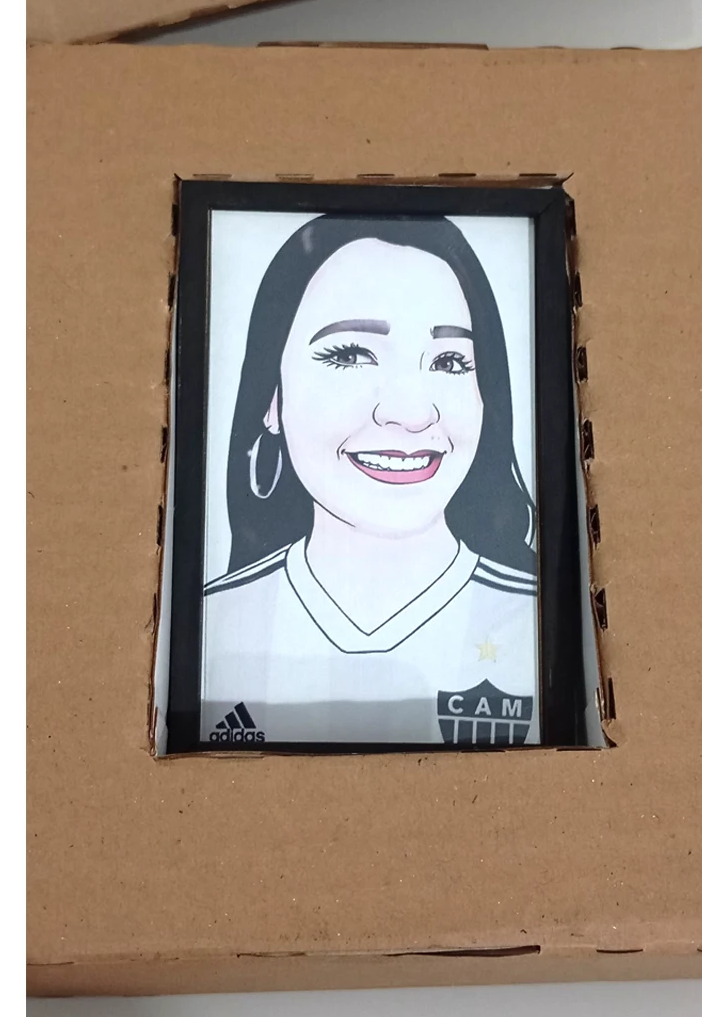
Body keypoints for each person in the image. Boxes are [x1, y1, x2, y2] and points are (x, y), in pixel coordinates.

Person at [200, 215, 540, 746]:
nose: (412, 413)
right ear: (271, 398)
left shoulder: (539, 624)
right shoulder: (207, 625)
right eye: (351, 355)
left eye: (451, 361)